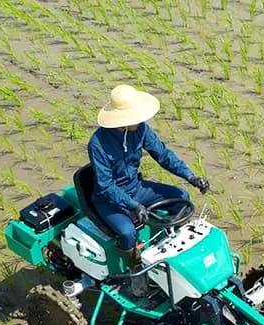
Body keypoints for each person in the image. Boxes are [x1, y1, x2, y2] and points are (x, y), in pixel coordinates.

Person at [88, 85, 210, 268]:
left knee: (182, 198)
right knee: (128, 233)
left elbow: (163, 155)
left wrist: (190, 177)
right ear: (123, 119)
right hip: (109, 200)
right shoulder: (98, 143)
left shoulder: (140, 129)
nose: (141, 118)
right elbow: (106, 186)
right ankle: (132, 265)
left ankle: (168, 244)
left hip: (136, 188)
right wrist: (134, 205)